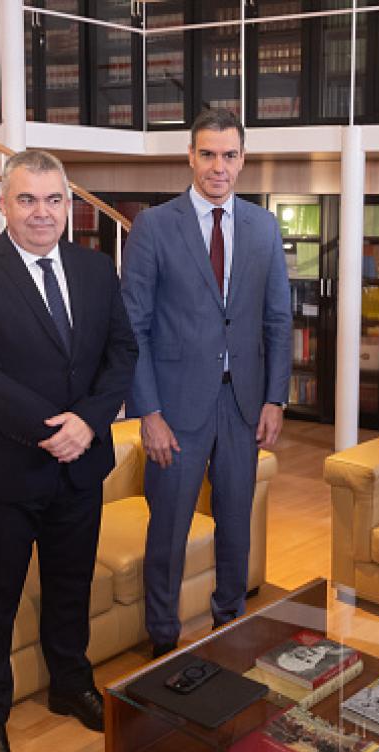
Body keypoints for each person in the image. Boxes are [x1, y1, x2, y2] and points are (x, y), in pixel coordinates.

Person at [0, 150, 137, 752]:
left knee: (70, 581)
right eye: (27, 199)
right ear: (3, 204)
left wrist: (90, 423)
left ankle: (71, 683)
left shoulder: (95, 268)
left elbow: (121, 351)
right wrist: (56, 430)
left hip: (81, 465)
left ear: (69, 206)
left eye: (54, 200)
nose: (42, 212)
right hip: (3, 468)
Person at [121, 108, 292, 659]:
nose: (219, 166)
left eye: (230, 155)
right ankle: (164, 640)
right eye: (209, 154)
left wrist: (274, 397)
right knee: (168, 528)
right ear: (191, 156)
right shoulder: (153, 225)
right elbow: (134, 327)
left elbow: (277, 320)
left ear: (243, 160)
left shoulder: (264, 227)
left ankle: (230, 626)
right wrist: (147, 412)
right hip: (174, 409)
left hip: (242, 404)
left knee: (236, 524)